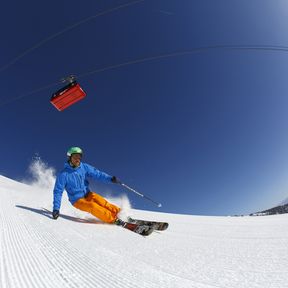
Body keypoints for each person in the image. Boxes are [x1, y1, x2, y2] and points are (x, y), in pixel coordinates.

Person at [52, 146, 123, 225]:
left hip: (87, 194)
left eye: (79, 157)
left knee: (100, 200)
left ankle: (120, 214)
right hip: (77, 200)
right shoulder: (63, 174)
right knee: (92, 206)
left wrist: (110, 178)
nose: (78, 159)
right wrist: (56, 209)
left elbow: (97, 174)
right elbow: (58, 191)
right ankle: (113, 220)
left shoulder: (83, 167)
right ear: (69, 157)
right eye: (75, 156)